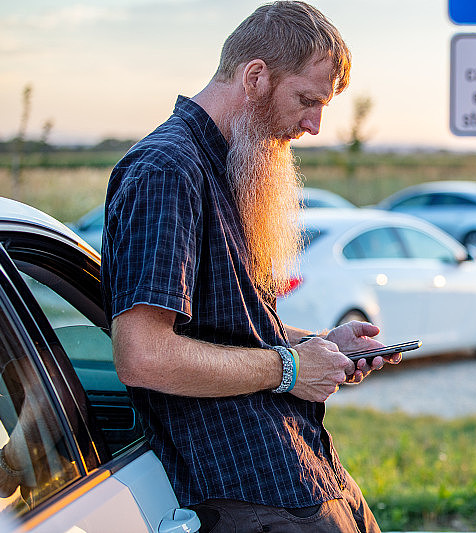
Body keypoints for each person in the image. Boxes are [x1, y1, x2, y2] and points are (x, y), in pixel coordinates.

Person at [101, 2, 398, 531]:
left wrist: (321, 345)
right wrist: (291, 369)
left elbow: (227, 329)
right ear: (256, 76)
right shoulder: (167, 171)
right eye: (307, 100)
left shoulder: (228, 161)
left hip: (301, 471)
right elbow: (143, 355)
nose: (314, 125)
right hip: (252, 495)